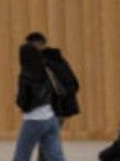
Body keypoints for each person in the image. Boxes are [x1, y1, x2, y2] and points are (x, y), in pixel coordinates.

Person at [15, 32, 77, 161]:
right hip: (53, 114)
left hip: (37, 116)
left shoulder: (35, 68)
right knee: (53, 154)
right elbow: (74, 84)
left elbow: (24, 100)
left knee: (23, 154)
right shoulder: (58, 60)